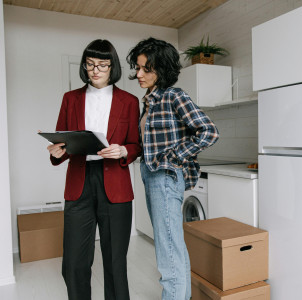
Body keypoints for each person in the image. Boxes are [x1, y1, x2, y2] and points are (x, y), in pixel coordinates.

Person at [47, 39, 141, 300]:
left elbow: (135, 144)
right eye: (90, 64)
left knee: (115, 263)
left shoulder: (130, 101)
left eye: (102, 64)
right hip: (79, 183)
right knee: (74, 264)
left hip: (116, 185)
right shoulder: (70, 99)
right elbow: (62, 141)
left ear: (113, 67)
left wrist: (123, 150)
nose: (95, 70)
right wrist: (58, 152)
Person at [126, 37, 219, 300]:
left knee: (168, 248)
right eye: (138, 67)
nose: (139, 74)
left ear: (162, 70)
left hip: (164, 176)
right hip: (152, 174)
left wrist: (174, 157)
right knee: (170, 246)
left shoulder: (173, 96)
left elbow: (209, 132)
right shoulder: (149, 101)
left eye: (146, 69)